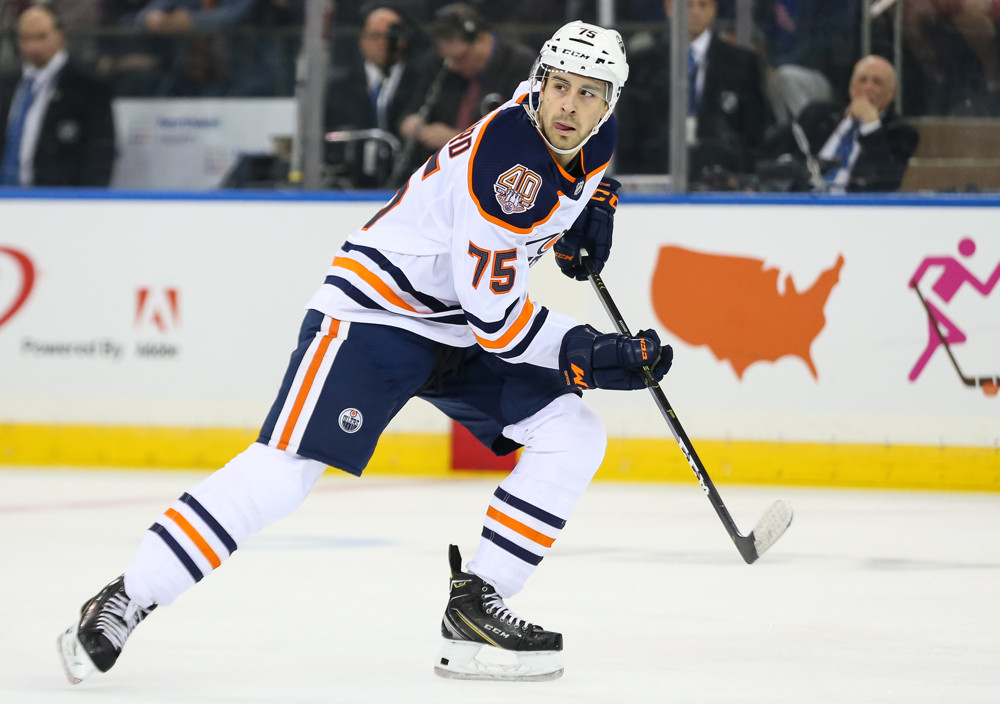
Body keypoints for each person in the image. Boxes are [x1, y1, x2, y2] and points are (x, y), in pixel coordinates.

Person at [57, 21, 673, 684]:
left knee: (572, 433)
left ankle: (477, 604)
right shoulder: (508, 168)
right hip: (380, 312)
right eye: (560, 88)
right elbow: (496, 321)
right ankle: (130, 594)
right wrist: (587, 353)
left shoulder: (591, 134)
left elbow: (565, 188)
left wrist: (589, 206)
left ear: (610, 103)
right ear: (539, 85)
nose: (568, 106)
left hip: (455, 321)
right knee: (285, 471)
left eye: (587, 93)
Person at [615, 0, 770, 186]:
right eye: (688, 5)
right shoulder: (643, 64)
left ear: (714, 10)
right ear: (669, 8)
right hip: (656, 175)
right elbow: (629, 133)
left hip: (725, 179)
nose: (695, 12)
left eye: (703, 5)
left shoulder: (743, 63)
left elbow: (755, 133)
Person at [394, 3, 535, 182]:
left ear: (482, 40)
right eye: (447, 58)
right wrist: (417, 127)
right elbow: (411, 113)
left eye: (460, 58)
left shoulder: (519, 65)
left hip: (497, 173)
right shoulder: (439, 64)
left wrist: (457, 139)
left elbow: (523, 134)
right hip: (441, 173)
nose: (452, 66)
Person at [763, 54, 919, 193]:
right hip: (803, 201)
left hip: (854, 208)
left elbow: (886, 182)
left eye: (877, 82)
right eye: (862, 80)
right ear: (851, 86)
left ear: (892, 93)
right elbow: (771, 153)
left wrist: (871, 126)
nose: (868, 87)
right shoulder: (817, 114)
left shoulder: (902, 132)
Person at [0, 4, 115, 187]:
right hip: (6, 195)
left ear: (60, 35)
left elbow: (100, 151)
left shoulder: (88, 86)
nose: (32, 46)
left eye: (41, 36)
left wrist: (87, 198)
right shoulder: (6, 84)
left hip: (59, 196)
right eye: (25, 38)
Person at [324, 3, 423, 188]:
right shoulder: (338, 88)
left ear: (404, 40)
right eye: (376, 36)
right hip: (350, 186)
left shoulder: (423, 83)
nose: (384, 42)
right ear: (362, 40)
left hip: (411, 184)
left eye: (392, 36)